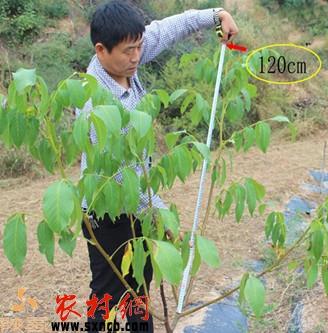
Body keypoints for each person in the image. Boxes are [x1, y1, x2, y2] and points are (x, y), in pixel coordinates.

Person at [77, 1, 239, 332]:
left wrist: (215, 15)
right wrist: (159, 213)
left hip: (137, 209)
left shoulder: (126, 60)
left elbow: (166, 29)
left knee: (139, 290)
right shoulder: (96, 104)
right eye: (128, 51)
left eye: (139, 47)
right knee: (106, 297)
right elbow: (122, 177)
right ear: (101, 50)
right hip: (107, 215)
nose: (136, 56)